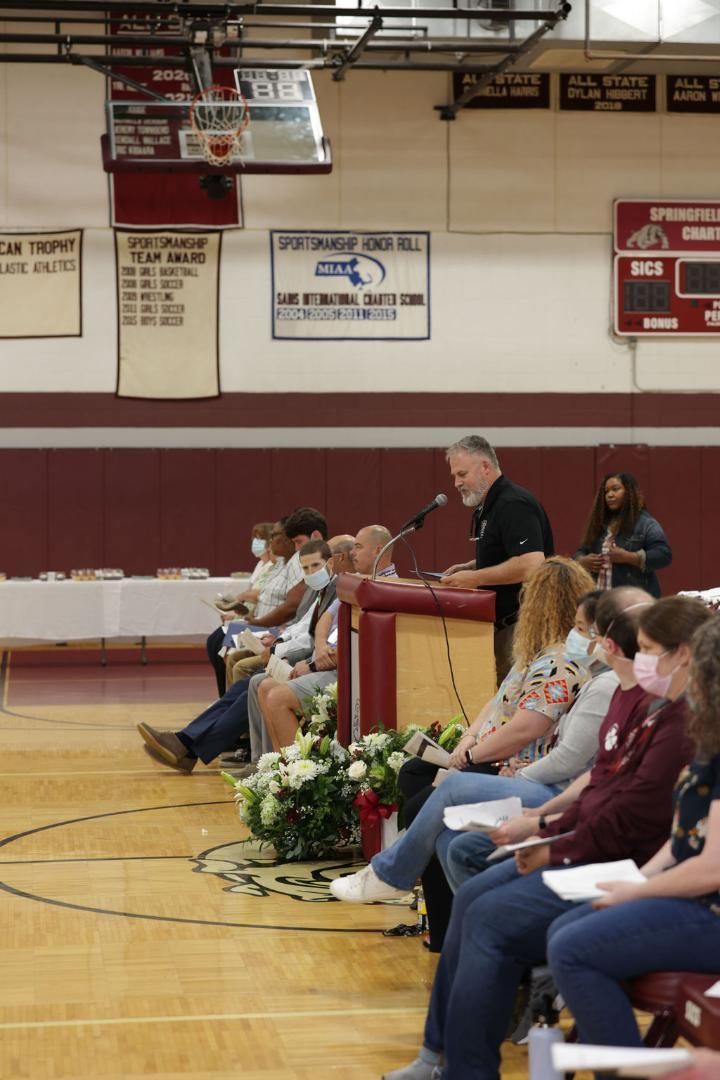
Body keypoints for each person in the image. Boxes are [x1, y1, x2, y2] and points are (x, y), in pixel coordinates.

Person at [378, 595, 710, 1080]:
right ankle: (440, 1056)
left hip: (621, 864)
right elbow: (605, 789)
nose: (639, 660)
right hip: (612, 856)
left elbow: (636, 819)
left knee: (496, 918)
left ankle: (464, 1068)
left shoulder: (681, 721)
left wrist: (557, 844)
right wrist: (547, 829)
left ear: (681, 654)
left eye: (647, 649)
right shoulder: (652, 704)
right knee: (473, 896)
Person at [330, 558, 594, 927]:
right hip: (493, 753)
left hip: (516, 765)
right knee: (414, 774)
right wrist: (468, 737)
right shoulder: (536, 653)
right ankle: (443, 924)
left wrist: (470, 754)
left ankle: (400, 883)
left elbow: (527, 728)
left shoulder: (560, 662)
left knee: (430, 802)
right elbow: (498, 700)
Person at [547, 610, 720, 1053]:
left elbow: (711, 869)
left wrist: (638, 892)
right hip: (692, 899)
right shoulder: (708, 737)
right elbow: (684, 837)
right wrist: (639, 879)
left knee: (572, 948)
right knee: (565, 928)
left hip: (710, 911)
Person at [136, 538, 338, 773]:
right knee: (242, 684)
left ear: (332, 562)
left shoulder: (337, 592)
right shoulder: (320, 591)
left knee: (253, 683)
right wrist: (277, 642)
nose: (310, 572)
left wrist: (277, 649)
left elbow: (312, 639)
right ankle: (186, 741)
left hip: (306, 661)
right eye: (306, 568)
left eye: (315, 566)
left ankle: (189, 747)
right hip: (292, 651)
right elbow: (301, 627)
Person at [441, 435, 554, 683]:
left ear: (485, 467)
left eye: (462, 474)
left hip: (521, 627)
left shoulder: (513, 504)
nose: (457, 483)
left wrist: (475, 577)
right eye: (454, 477)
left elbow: (532, 564)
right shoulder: (490, 506)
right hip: (505, 627)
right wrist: (473, 565)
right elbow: (509, 553)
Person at [575, 471, 672, 597]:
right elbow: (581, 551)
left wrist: (630, 557)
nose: (610, 495)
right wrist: (582, 561)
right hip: (599, 601)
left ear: (629, 493)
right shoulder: (599, 524)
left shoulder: (645, 523)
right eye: (606, 491)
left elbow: (664, 554)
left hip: (634, 600)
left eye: (615, 489)